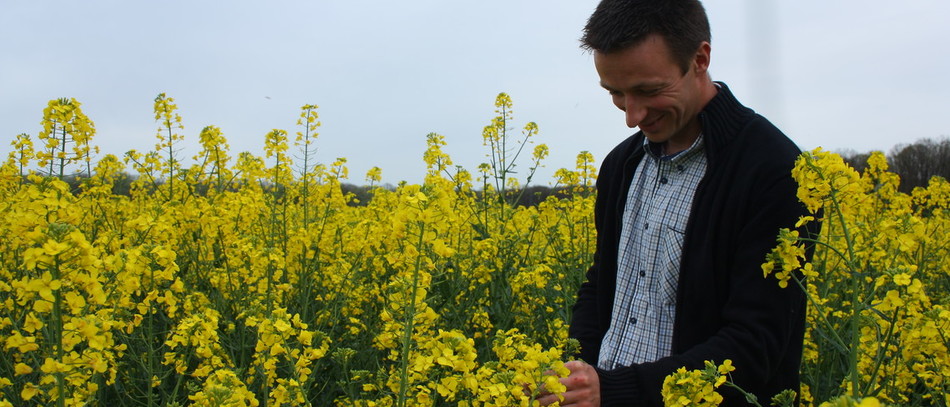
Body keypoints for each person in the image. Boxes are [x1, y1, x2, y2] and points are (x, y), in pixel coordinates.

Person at [537, 0, 809, 405]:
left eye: (648, 91)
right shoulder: (621, 165)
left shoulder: (774, 170)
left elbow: (756, 346)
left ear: (699, 59)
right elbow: (602, 287)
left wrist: (611, 393)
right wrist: (575, 372)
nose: (632, 115)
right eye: (616, 93)